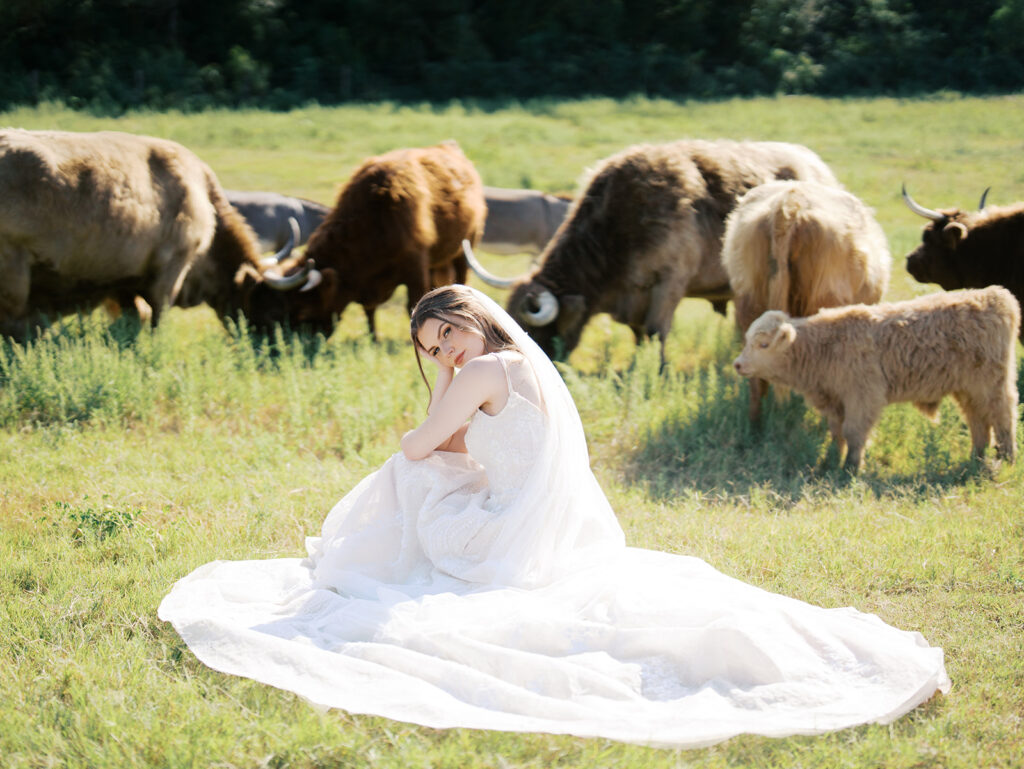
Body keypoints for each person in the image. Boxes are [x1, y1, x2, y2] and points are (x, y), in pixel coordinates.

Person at [159, 284, 949, 748]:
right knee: (427, 470)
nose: (444, 354)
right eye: (432, 349)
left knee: (407, 468)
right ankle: (366, 561)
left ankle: (358, 564)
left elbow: (423, 439)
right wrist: (448, 406)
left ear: (474, 318)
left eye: (446, 335)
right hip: (534, 534)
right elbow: (469, 440)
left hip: (496, 539)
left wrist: (435, 403)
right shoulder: (515, 366)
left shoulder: (482, 369)